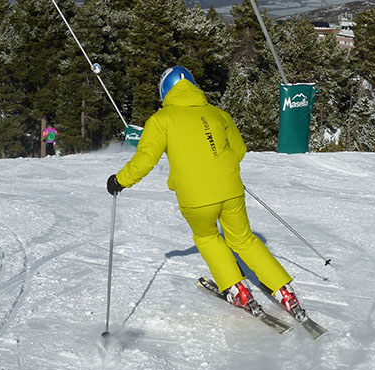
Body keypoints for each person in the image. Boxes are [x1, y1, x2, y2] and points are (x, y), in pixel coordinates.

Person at [106, 66, 303, 316]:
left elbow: (145, 159)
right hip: (231, 191)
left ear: (164, 91)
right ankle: (284, 290)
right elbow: (239, 150)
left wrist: (119, 181)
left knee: (208, 238)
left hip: (196, 199)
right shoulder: (218, 114)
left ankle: (237, 289)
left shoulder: (160, 120)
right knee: (243, 239)